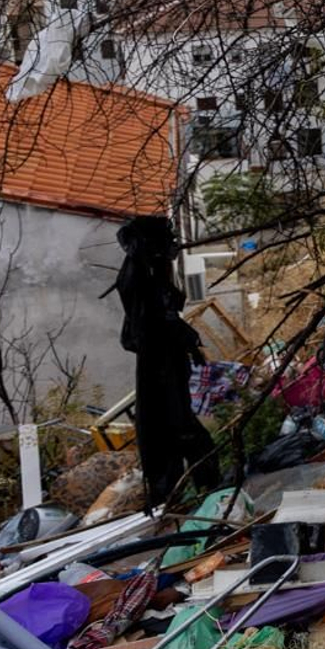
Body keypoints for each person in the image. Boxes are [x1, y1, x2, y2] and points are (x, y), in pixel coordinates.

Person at [110, 215, 219, 508]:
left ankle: (192, 493)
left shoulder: (147, 271)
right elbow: (151, 323)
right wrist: (186, 338)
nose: (171, 248)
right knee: (179, 432)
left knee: (180, 432)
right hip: (160, 369)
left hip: (164, 365)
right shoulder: (140, 276)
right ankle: (192, 494)